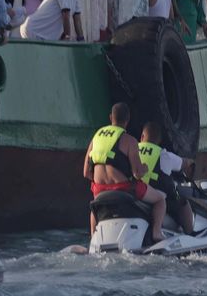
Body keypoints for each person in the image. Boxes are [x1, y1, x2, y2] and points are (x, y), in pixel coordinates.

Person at [83, 103, 166, 241]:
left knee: (95, 205)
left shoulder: (96, 138)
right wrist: (144, 168)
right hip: (124, 189)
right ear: (127, 120)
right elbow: (137, 173)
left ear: (110, 118)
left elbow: (86, 172)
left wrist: (101, 180)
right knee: (160, 199)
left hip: (99, 190)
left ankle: (93, 238)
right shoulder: (130, 141)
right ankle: (156, 232)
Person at [138, 121, 194, 234]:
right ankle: (191, 234)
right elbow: (184, 163)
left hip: (136, 192)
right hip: (155, 196)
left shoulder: (133, 148)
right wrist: (191, 163)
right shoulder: (164, 155)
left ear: (142, 136)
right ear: (159, 141)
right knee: (183, 201)